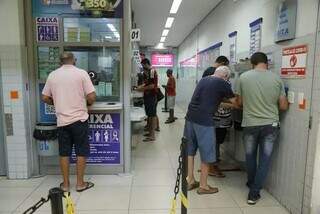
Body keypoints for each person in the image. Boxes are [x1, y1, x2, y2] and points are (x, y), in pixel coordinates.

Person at [235, 52, 289, 205]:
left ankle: (251, 183)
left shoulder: (243, 77)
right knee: (265, 159)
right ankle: (254, 193)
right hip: (270, 125)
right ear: (267, 63)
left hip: (250, 124)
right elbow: (283, 106)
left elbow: (239, 103)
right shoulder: (277, 78)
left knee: (250, 156)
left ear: (252, 63)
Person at [42, 52, 96, 192]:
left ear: (60, 62)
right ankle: (80, 184)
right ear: (74, 60)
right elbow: (91, 97)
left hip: (62, 121)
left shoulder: (53, 75)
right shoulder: (81, 73)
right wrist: (86, 102)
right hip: (79, 119)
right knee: (81, 152)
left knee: (64, 153)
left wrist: (57, 102)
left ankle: (65, 185)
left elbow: (44, 97)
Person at [184, 66, 235, 195]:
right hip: (204, 121)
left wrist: (218, 101)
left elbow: (208, 97)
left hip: (190, 117)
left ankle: (190, 180)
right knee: (207, 152)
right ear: (225, 77)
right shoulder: (223, 83)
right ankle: (203, 186)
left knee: (190, 150)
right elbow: (236, 103)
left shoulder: (204, 79)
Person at [137, 58, 158, 142]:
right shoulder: (148, 73)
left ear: (146, 64)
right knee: (149, 115)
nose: (142, 68)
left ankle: (152, 136)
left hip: (152, 97)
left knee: (152, 116)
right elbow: (147, 83)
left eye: (143, 66)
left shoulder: (152, 71)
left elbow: (152, 85)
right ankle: (150, 132)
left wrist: (142, 89)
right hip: (148, 96)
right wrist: (141, 87)